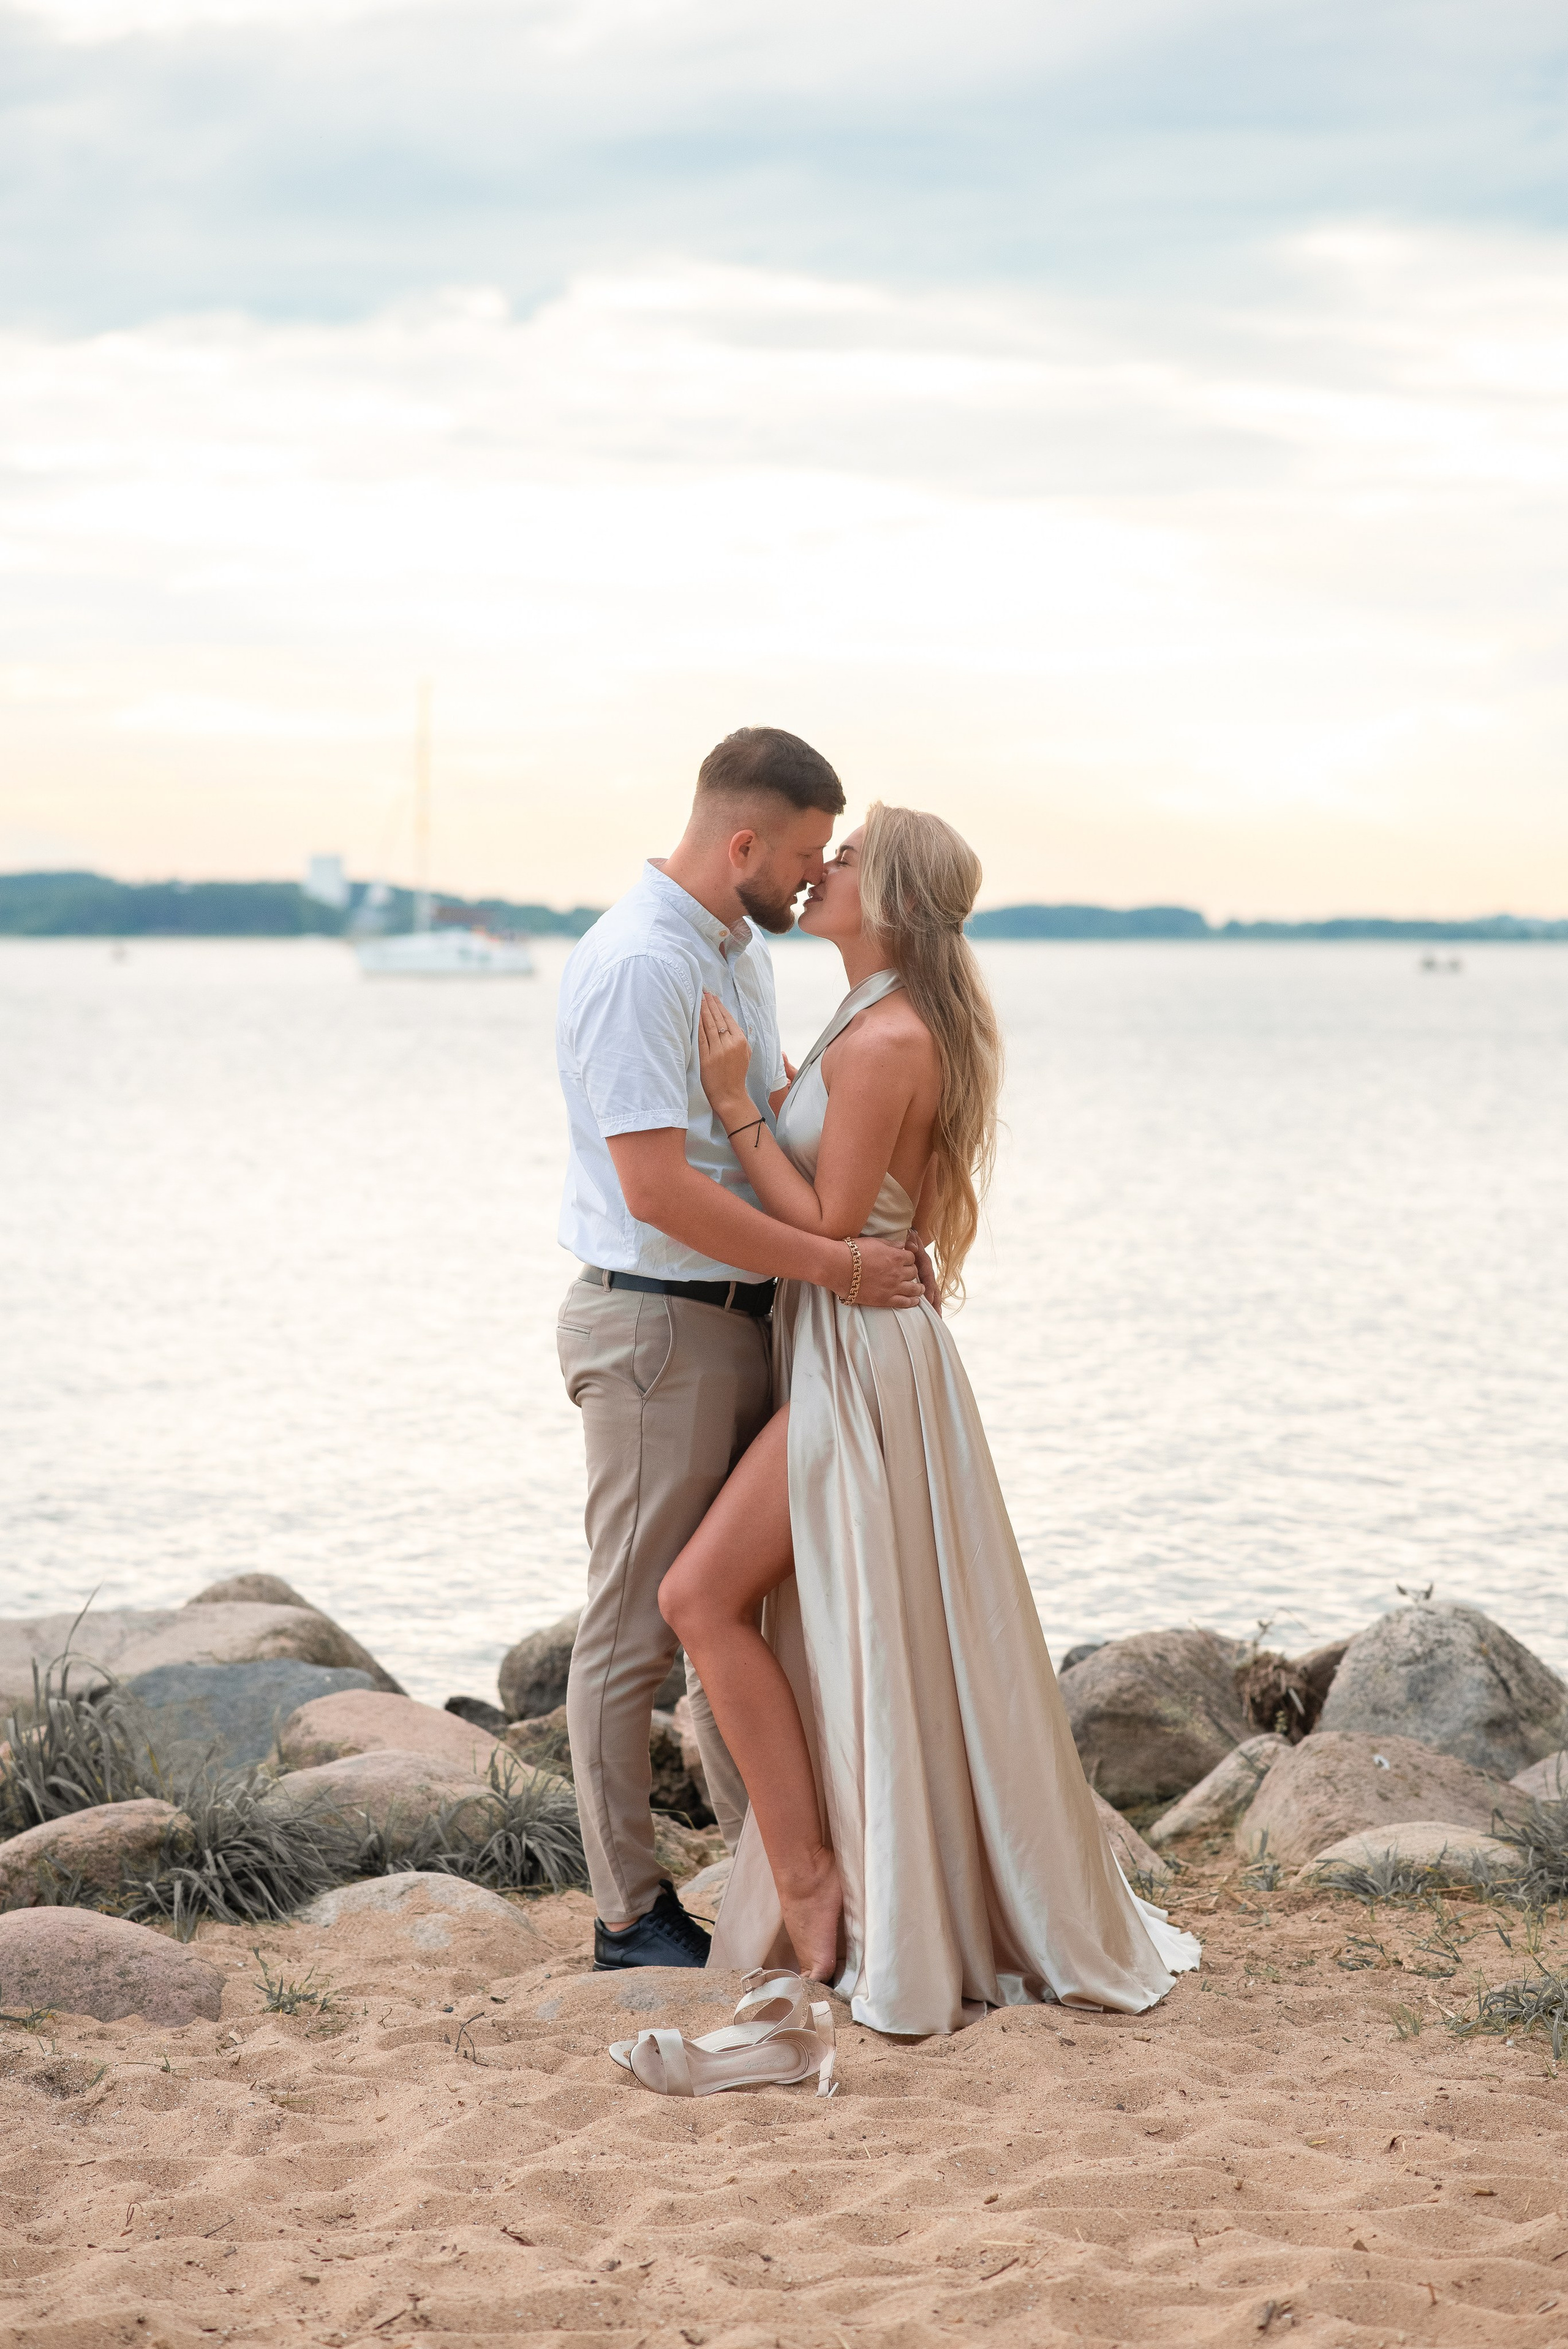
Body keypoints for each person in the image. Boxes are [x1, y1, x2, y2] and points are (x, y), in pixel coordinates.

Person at [658, 802, 1200, 2036]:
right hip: (848, 1347)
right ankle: (831, 1871)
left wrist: (732, 1101)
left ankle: (815, 1883)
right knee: (827, 1620)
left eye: (843, 859)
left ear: (888, 898)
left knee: (695, 1598)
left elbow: (830, 1228)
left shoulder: (889, 1035)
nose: (821, 869)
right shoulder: (861, 1011)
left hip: (862, 1357)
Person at [554, 728, 927, 1974]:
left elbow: (757, 1127)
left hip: (750, 1318)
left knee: (734, 1606)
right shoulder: (637, 964)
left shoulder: (733, 954)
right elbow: (655, 1189)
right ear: (743, 844)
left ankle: (767, 1871)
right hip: (658, 1321)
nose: (812, 877)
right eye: (806, 855)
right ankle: (628, 1915)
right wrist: (836, 1266)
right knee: (636, 1623)